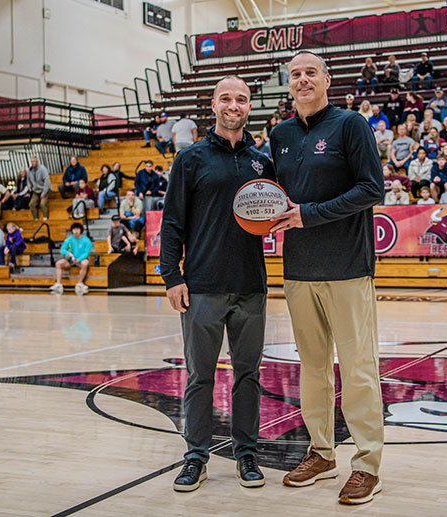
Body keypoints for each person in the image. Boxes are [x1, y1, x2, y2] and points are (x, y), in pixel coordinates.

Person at [268, 51, 384, 505]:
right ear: (288, 84)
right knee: (312, 369)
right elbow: (272, 198)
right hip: (297, 271)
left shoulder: (350, 125)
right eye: (294, 74)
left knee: (357, 370)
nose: (302, 79)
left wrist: (308, 215)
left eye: (310, 72)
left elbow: (372, 188)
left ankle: (367, 464)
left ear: (327, 80)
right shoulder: (278, 134)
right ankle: (321, 452)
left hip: (347, 268)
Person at [161, 75, 274, 493]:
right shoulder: (189, 159)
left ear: (249, 107)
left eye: (241, 99)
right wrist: (172, 276)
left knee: (248, 375)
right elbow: (172, 223)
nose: (234, 105)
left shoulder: (263, 163)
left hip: (250, 287)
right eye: (226, 98)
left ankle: (247, 454)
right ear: (213, 104)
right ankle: (195, 458)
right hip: (202, 287)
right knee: (199, 377)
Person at [50, 222, 92, 295]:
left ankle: (80, 283)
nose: (76, 231)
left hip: (80, 260)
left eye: (78, 229)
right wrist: (69, 256)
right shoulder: (69, 240)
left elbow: (86, 253)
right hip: (70, 260)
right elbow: (62, 249)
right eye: (74, 229)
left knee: (85, 263)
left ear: (81, 230)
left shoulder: (86, 240)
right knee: (58, 263)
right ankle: (58, 284)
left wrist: (78, 259)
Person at [27, 156, 50, 220]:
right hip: (35, 190)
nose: (32, 163)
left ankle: (45, 217)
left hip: (44, 189)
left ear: (37, 162)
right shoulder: (29, 170)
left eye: (34, 161)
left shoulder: (42, 169)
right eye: (31, 162)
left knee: (42, 204)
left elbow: (47, 181)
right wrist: (29, 188)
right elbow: (28, 180)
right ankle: (36, 218)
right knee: (31, 204)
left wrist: (44, 192)